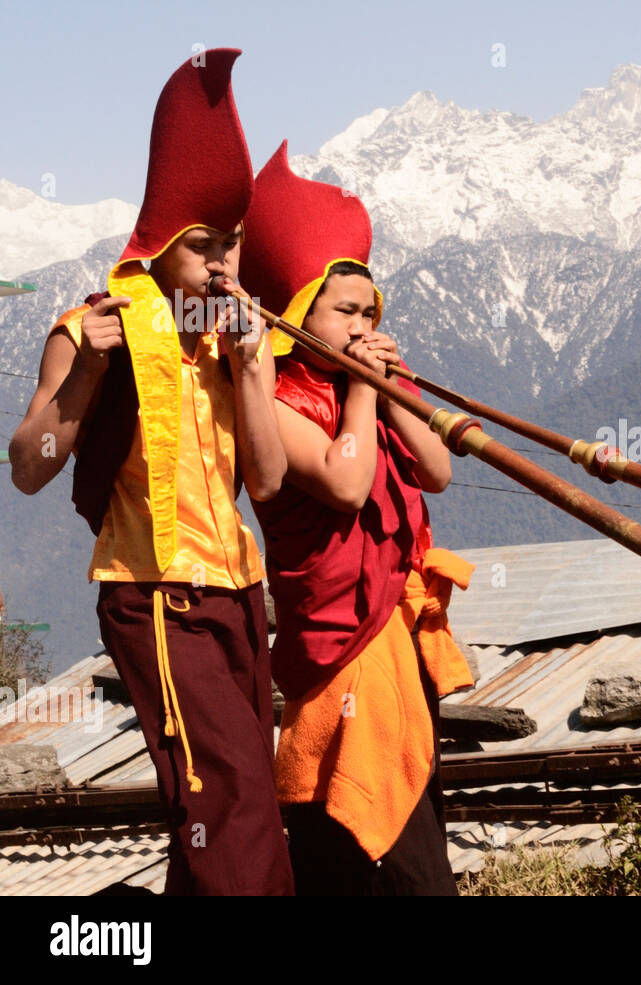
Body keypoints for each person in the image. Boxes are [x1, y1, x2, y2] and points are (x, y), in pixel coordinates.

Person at [7, 50, 293, 895]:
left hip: (239, 590)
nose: (221, 265)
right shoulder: (93, 326)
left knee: (228, 801)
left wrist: (250, 368)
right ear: (160, 245)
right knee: (231, 795)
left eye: (233, 245)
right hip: (157, 593)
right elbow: (30, 466)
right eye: (202, 245)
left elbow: (269, 483)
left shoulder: (240, 338)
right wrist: (87, 377)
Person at [238, 142, 474, 894]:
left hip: (395, 637)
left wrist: (393, 387)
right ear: (302, 316)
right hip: (343, 647)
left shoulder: (368, 390)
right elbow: (344, 483)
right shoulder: (280, 401)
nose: (362, 323)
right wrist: (367, 390)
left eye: (372, 311)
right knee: (362, 836)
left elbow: (436, 469)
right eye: (345, 311)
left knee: (411, 810)